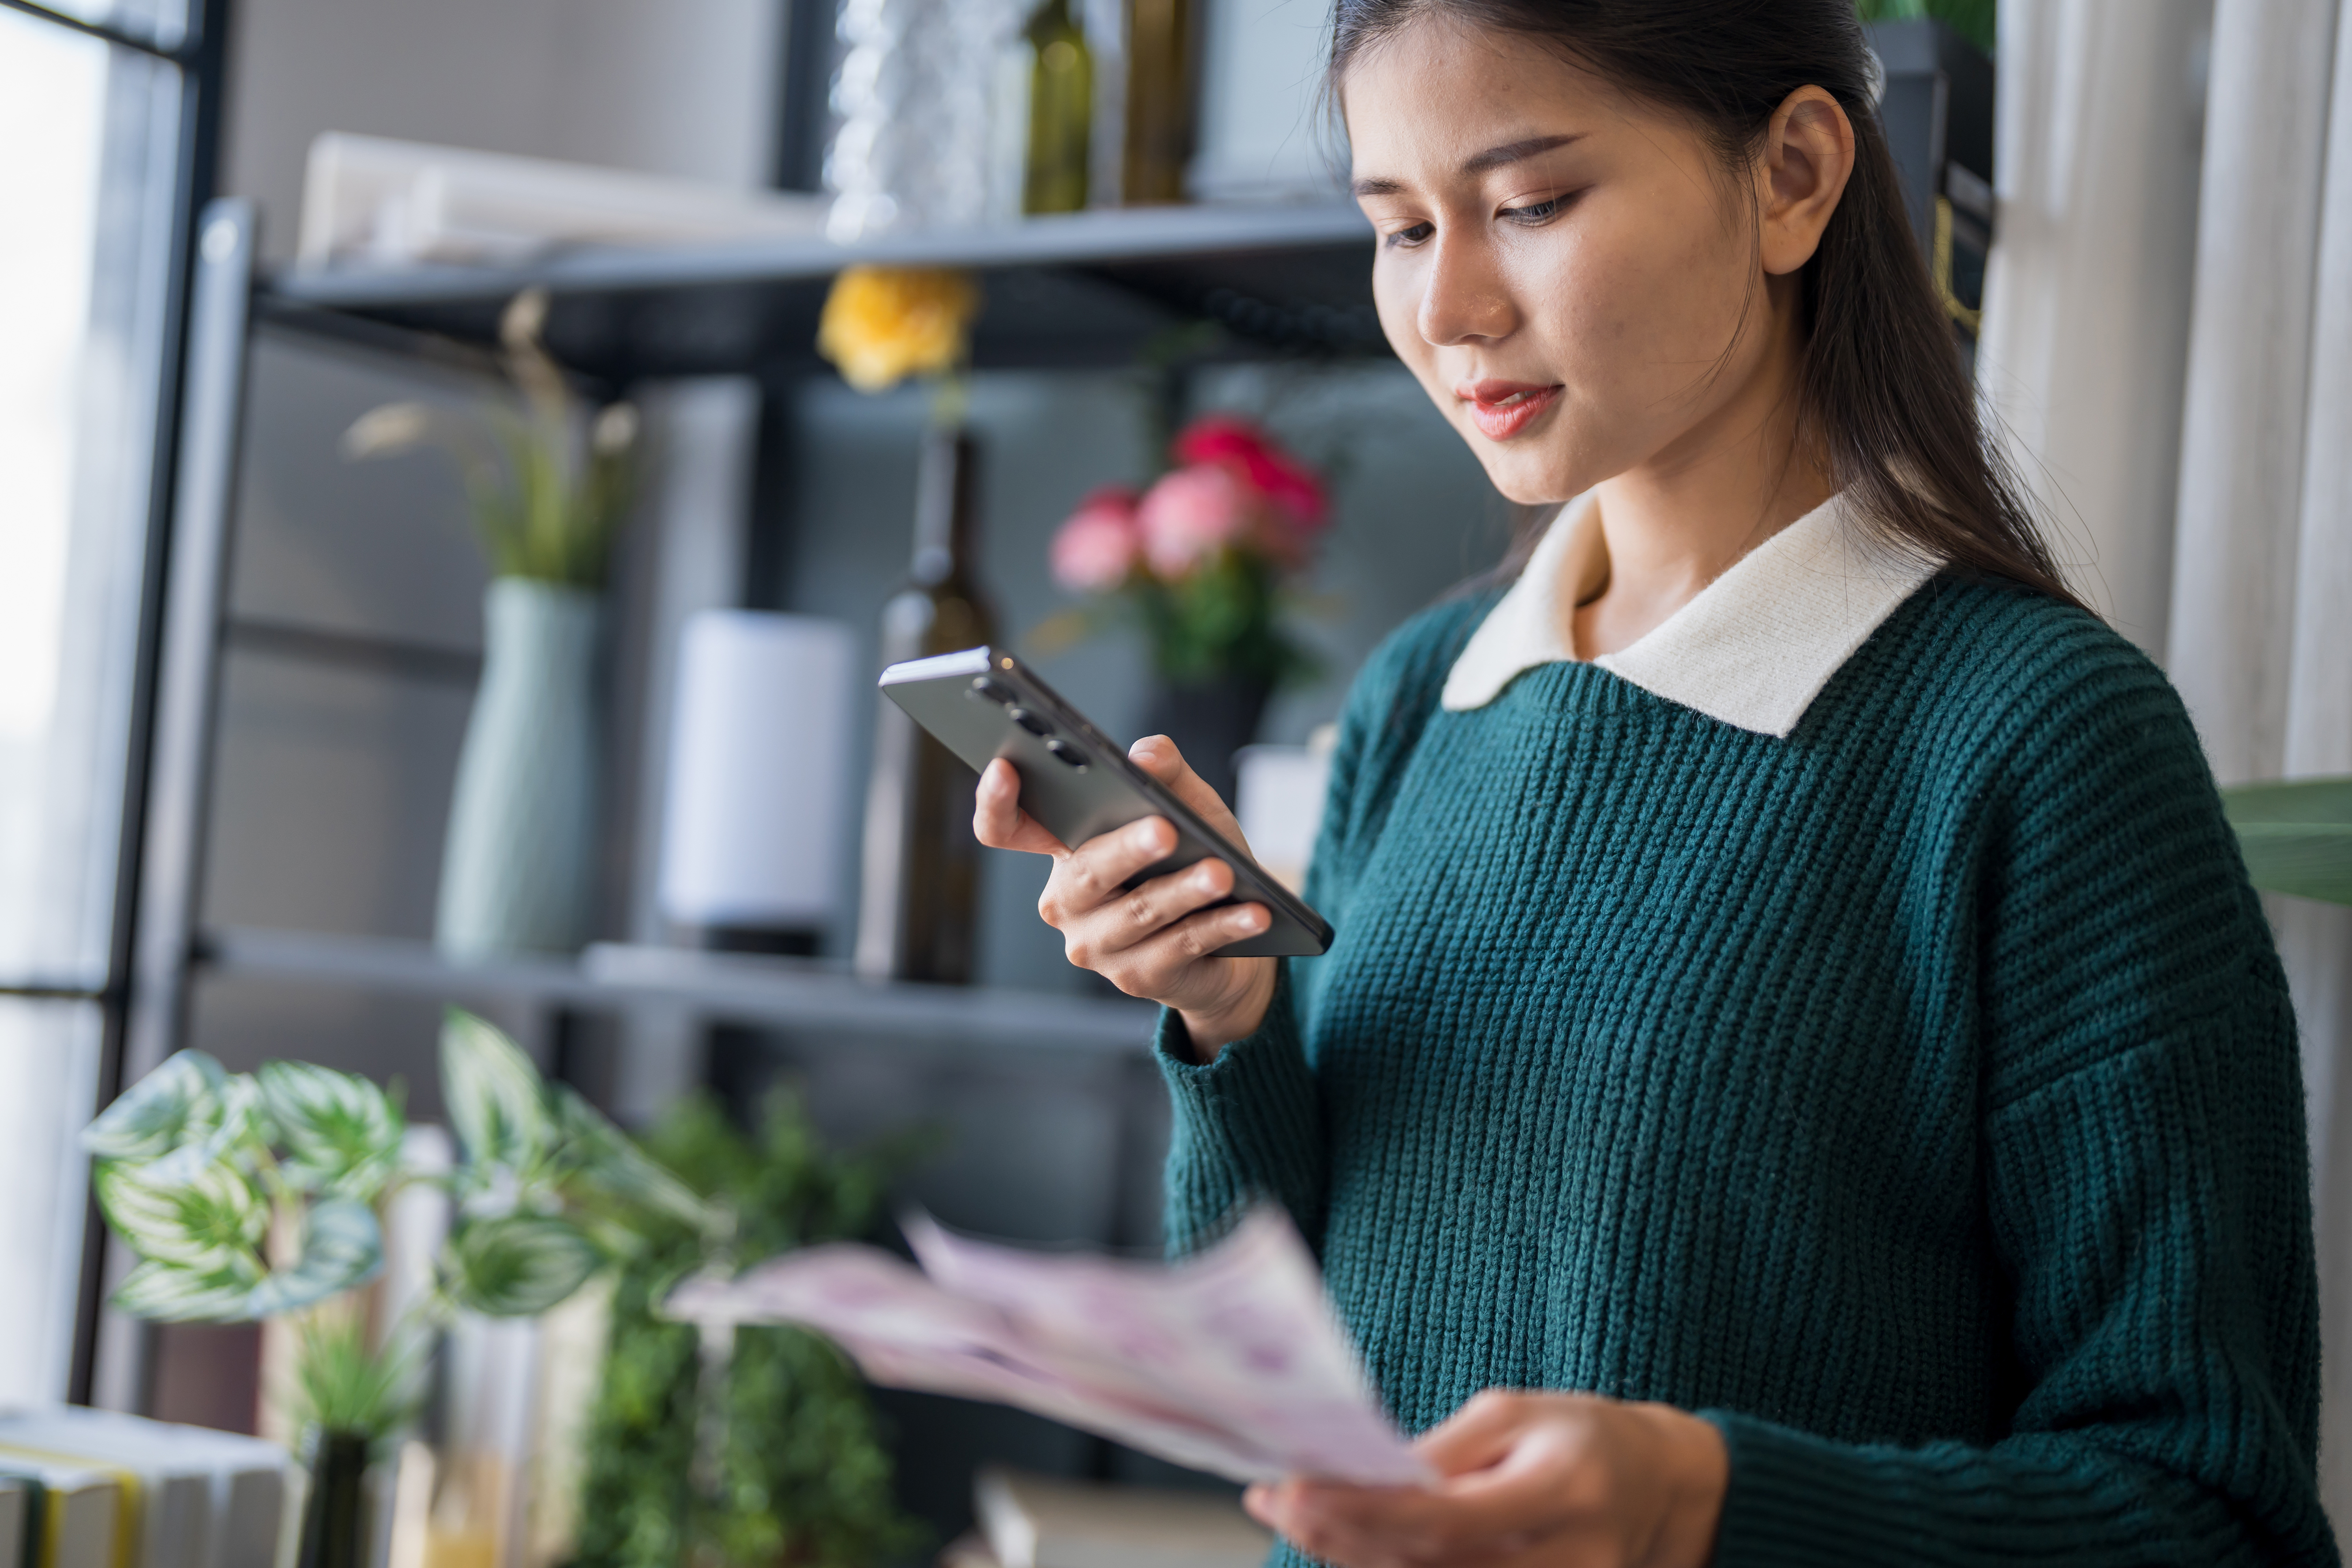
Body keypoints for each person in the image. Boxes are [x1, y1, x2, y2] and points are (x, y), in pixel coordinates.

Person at [974, 2, 2337, 1563]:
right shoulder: (1425, 696)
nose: (1451, 305)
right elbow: (1299, 1370)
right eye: (1401, 225)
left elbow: (2211, 1514)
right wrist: (1230, 1019)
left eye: (1530, 203)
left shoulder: (2035, 743)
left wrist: (1701, 1499)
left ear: (1795, 175)